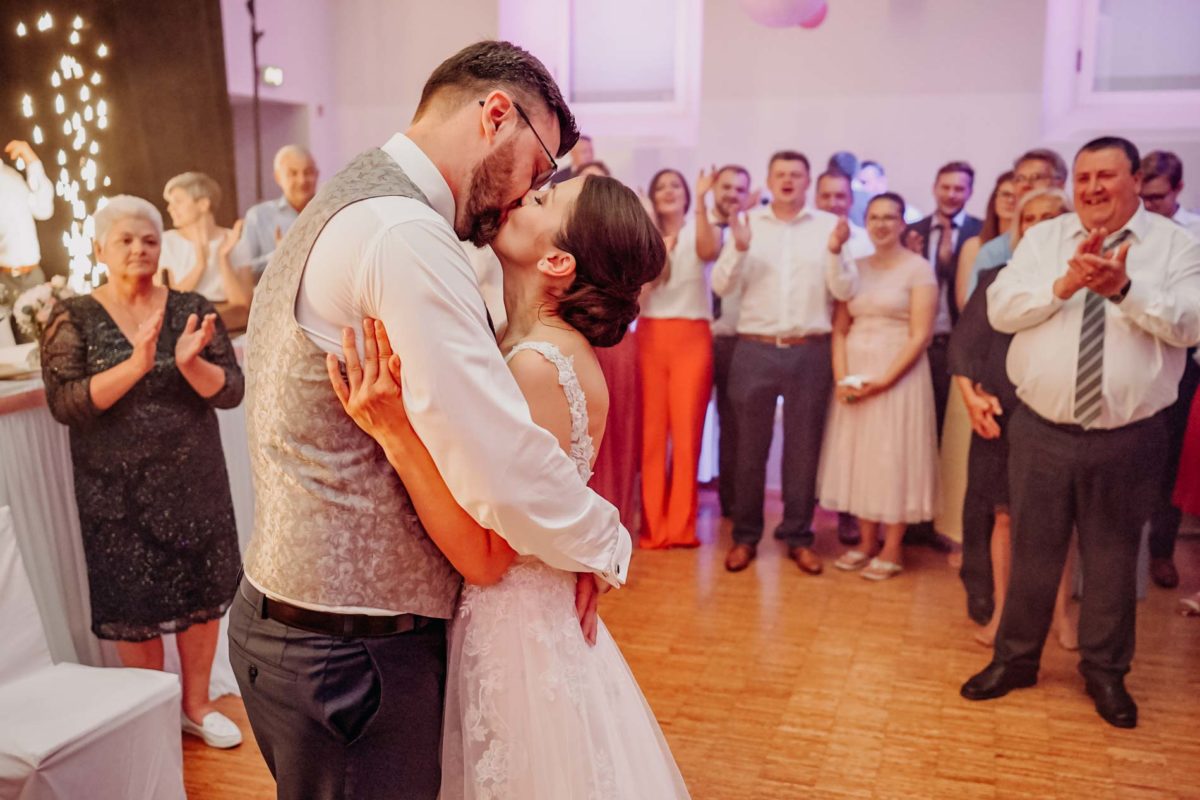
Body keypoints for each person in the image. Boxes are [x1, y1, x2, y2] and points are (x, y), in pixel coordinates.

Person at [230, 41, 638, 799]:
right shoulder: (404, 234)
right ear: (495, 116)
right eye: (540, 167)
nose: (528, 193)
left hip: (318, 627)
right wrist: (606, 542)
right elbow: (501, 465)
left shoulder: (370, 198)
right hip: (348, 651)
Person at [329, 173, 689, 799]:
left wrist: (394, 433)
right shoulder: (526, 346)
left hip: (517, 632)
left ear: (556, 260)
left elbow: (486, 557)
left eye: (543, 201)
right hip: (529, 613)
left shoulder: (537, 365)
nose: (523, 197)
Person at [962, 136, 1200, 729]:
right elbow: (1002, 310)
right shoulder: (1045, 240)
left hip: (1129, 435)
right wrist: (1062, 287)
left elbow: (1191, 325)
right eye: (1084, 177)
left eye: (1106, 176)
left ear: (1134, 180)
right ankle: (1015, 660)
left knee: (1113, 558)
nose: (1092, 188)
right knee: (1033, 553)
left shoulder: (1176, 246)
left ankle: (1105, 673)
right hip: (1041, 430)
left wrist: (1123, 289)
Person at [40, 195, 244, 749]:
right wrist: (136, 363)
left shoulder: (192, 305)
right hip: (115, 493)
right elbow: (67, 404)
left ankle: (196, 705)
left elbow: (230, 391)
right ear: (101, 248)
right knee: (134, 602)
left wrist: (186, 362)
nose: (139, 249)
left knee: (201, 593)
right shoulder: (72, 315)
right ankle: (153, 714)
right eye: (126, 239)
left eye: (149, 239)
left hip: (192, 479)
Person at [712, 150, 859, 575]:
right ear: (770, 180)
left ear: (807, 181)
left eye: (796, 174)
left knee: (803, 449)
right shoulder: (748, 224)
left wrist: (835, 251)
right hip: (754, 348)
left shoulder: (830, 227)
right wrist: (738, 249)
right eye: (781, 174)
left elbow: (846, 288)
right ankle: (745, 537)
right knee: (748, 450)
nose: (788, 180)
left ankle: (798, 536)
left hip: (809, 349)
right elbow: (721, 283)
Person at [950, 187, 1077, 647]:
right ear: (1018, 228)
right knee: (1003, 518)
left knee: (1063, 521)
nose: (1039, 224)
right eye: (1030, 219)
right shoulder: (995, 278)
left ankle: (1063, 616)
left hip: (1059, 415)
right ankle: (1003, 612)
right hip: (1000, 415)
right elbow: (963, 346)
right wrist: (971, 397)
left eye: (1051, 216)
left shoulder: (1083, 283)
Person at [820, 193, 938, 580]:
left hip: (897, 375)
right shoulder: (854, 267)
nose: (882, 224)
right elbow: (840, 327)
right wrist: (841, 377)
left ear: (903, 223)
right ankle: (867, 542)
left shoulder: (918, 269)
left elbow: (920, 335)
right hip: (855, 372)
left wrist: (884, 381)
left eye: (890, 217)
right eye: (874, 217)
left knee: (893, 454)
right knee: (862, 455)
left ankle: (892, 546)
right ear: (865, 223)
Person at [638, 169, 712, 548]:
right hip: (650, 337)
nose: (669, 191)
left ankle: (682, 527)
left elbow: (709, 251)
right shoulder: (646, 237)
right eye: (661, 186)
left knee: (687, 438)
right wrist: (654, 245)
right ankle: (654, 528)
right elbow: (640, 296)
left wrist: (702, 201)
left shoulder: (702, 227)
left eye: (675, 186)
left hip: (693, 339)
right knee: (652, 437)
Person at [1140, 150, 1200, 589]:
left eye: (1157, 198)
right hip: (1135, 353)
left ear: (1178, 190)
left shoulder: (1196, 234)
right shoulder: (1130, 230)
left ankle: (1161, 551)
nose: (1148, 206)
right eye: (1142, 197)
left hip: (1181, 360)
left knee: (1169, 456)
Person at [904, 161, 982, 436]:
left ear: (970, 192)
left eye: (959, 189)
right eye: (945, 187)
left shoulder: (980, 232)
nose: (951, 194)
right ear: (934, 188)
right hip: (919, 343)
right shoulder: (911, 231)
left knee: (955, 427)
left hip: (960, 343)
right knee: (920, 425)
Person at [696, 164, 753, 519]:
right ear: (715, 187)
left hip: (734, 340)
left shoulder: (752, 231)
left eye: (739, 189)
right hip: (695, 336)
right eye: (727, 187)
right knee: (690, 422)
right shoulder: (695, 227)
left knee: (734, 426)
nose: (732, 194)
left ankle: (731, 504)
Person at [963, 149, 1069, 295]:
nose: (1026, 185)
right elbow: (976, 311)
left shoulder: (1080, 234)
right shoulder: (994, 251)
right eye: (1020, 178)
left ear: (1061, 182)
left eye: (1037, 177)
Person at [159, 172, 252, 319]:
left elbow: (243, 304)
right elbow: (167, 303)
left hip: (229, 328)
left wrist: (223, 258)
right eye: (170, 202)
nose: (170, 208)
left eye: (178, 201)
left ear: (203, 204)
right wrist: (200, 266)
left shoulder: (235, 240)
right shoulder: (166, 242)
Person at [237, 144, 319, 281]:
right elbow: (244, 270)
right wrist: (278, 257)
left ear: (317, 174)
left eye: (308, 172)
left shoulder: (332, 213)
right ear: (278, 177)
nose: (302, 180)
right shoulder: (258, 216)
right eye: (293, 173)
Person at [1, 139, 54, 340]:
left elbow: (43, 209)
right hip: (3, 280)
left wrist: (32, 160)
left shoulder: (11, 178)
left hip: (32, 277)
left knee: (39, 346)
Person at [954, 171, 1017, 311]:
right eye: (1005, 194)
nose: (1011, 201)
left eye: (1017, 196)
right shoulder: (974, 245)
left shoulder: (1028, 244)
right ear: (994, 199)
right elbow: (964, 302)